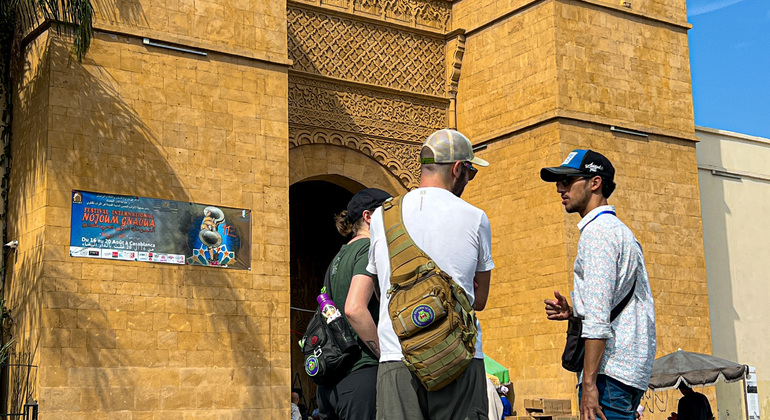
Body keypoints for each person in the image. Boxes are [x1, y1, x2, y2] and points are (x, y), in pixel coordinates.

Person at [367, 128, 494, 420]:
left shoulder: (381, 216)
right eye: (470, 173)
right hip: (458, 357)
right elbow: (481, 298)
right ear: (458, 168)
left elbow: (379, 288)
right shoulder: (475, 217)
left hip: (397, 355)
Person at [541, 149, 656, 420]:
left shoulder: (598, 234)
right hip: (627, 373)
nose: (560, 188)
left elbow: (599, 321)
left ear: (595, 183)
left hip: (607, 376)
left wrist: (590, 384)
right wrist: (574, 312)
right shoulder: (619, 231)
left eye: (568, 181)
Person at [316, 188, 392, 420]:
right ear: (369, 217)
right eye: (387, 211)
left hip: (330, 382)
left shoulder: (339, 255)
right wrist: (385, 354)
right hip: (361, 373)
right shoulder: (368, 249)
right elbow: (354, 309)